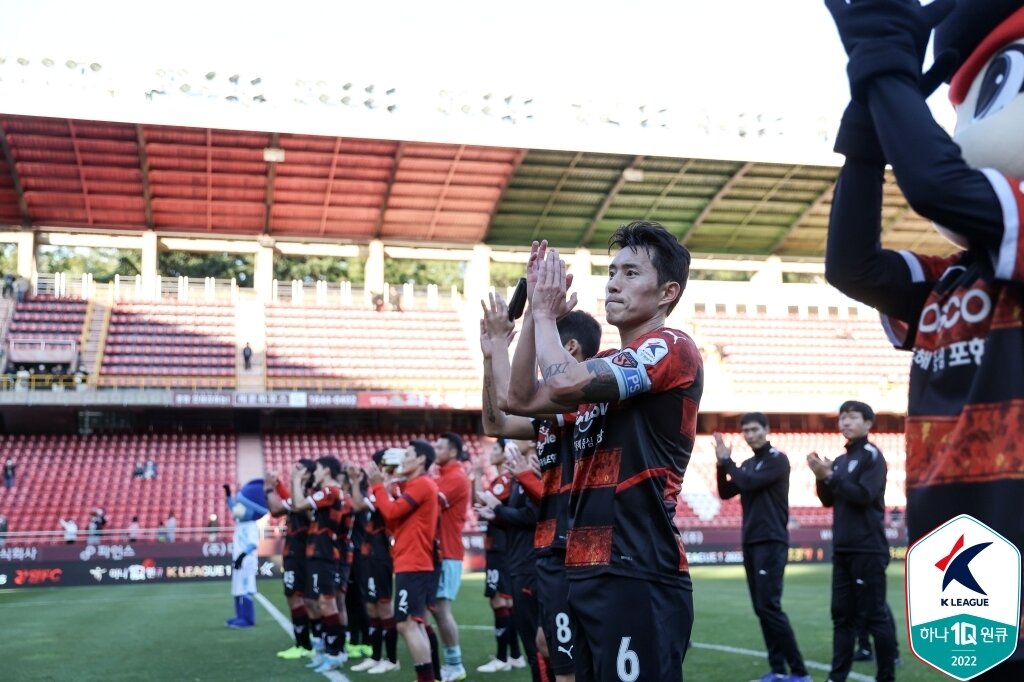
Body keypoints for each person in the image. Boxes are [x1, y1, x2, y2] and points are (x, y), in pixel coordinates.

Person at [822, 1, 1024, 675]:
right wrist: (863, 133)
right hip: (953, 535)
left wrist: (887, 75)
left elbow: (937, 184)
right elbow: (851, 266)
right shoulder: (950, 278)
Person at [507, 223, 703, 682]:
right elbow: (516, 401)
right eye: (612, 271)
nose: (613, 281)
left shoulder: (671, 346)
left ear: (666, 293)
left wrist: (545, 315)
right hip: (588, 567)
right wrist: (534, 321)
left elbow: (560, 382)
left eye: (631, 273)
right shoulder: (608, 367)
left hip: (638, 568)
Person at [482, 291, 602, 682]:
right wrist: (489, 358)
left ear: (569, 348)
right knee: (549, 646)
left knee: (571, 667)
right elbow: (496, 424)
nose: (533, 363)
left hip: (578, 549)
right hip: (551, 550)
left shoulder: (588, 394)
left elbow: (513, 398)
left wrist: (507, 339)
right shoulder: (550, 415)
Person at [715, 413, 810, 682]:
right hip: (752, 540)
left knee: (769, 606)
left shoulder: (777, 459)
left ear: (766, 430)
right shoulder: (748, 463)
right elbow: (725, 492)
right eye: (745, 430)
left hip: (771, 540)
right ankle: (779, 669)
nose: (750, 434)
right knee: (761, 607)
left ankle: (799, 672)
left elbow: (747, 483)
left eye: (754, 429)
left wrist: (727, 461)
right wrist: (721, 465)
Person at [807, 401, 896, 682]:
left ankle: (886, 676)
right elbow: (828, 500)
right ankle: (837, 677)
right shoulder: (841, 460)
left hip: (868, 548)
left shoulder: (873, 456)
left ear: (868, 423)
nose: (845, 422)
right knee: (841, 617)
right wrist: (822, 478)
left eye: (852, 417)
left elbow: (864, 495)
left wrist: (830, 476)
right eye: (842, 417)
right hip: (843, 549)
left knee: (874, 616)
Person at [360, 440, 440, 682]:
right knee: (413, 623)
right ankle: (430, 677)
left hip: (414, 562)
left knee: (405, 624)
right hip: (410, 561)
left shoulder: (422, 484)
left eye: (408, 455)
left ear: (421, 460)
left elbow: (392, 513)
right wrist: (384, 489)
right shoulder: (415, 485)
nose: (402, 459)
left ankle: (427, 678)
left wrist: (376, 487)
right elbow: (394, 521)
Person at [478, 440, 544, 682]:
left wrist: (498, 510)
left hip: (530, 563)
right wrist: (495, 516)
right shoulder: (520, 472)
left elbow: (533, 515)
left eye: (515, 435)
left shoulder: (534, 469)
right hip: (520, 562)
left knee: (537, 642)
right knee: (534, 642)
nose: (509, 441)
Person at [290, 456, 348, 674]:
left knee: (327, 603)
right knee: (317, 602)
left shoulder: (331, 491)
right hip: (316, 553)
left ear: (327, 471)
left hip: (324, 554)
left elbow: (298, 505)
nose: (315, 472)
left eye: (319, 468)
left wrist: (296, 481)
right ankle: (329, 651)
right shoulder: (325, 493)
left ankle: (335, 653)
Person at [471, 439, 524, 674]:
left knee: (499, 600)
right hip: (501, 547)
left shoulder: (504, 480)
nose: (491, 453)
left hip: (500, 548)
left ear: (505, 453)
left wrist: (475, 475)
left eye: (495, 449)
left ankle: (504, 657)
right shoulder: (501, 480)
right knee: (506, 601)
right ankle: (514, 655)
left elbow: (482, 501)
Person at [348, 452, 401, 674]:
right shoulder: (379, 488)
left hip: (381, 554)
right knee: (371, 605)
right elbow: (358, 505)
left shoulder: (394, 488)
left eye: (377, 464)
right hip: (369, 553)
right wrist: (354, 481)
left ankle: (391, 659)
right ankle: (376, 655)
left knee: (383, 604)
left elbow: (365, 507)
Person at [265, 459, 317, 660]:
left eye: (298, 468)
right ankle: (311, 642)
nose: (293, 471)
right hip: (297, 551)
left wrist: (270, 489)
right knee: (299, 597)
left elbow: (277, 509)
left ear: (306, 474)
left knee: (299, 597)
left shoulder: (308, 496)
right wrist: (278, 485)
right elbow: (289, 502)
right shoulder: (301, 494)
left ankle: (306, 644)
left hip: (301, 552)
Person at [432, 432, 471, 682]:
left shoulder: (456, 476)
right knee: (436, 609)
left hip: (448, 552)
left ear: (454, 452)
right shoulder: (444, 475)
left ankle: (455, 665)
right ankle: (450, 662)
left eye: (439, 447)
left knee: (441, 609)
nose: (435, 451)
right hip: (441, 551)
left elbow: (430, 501)